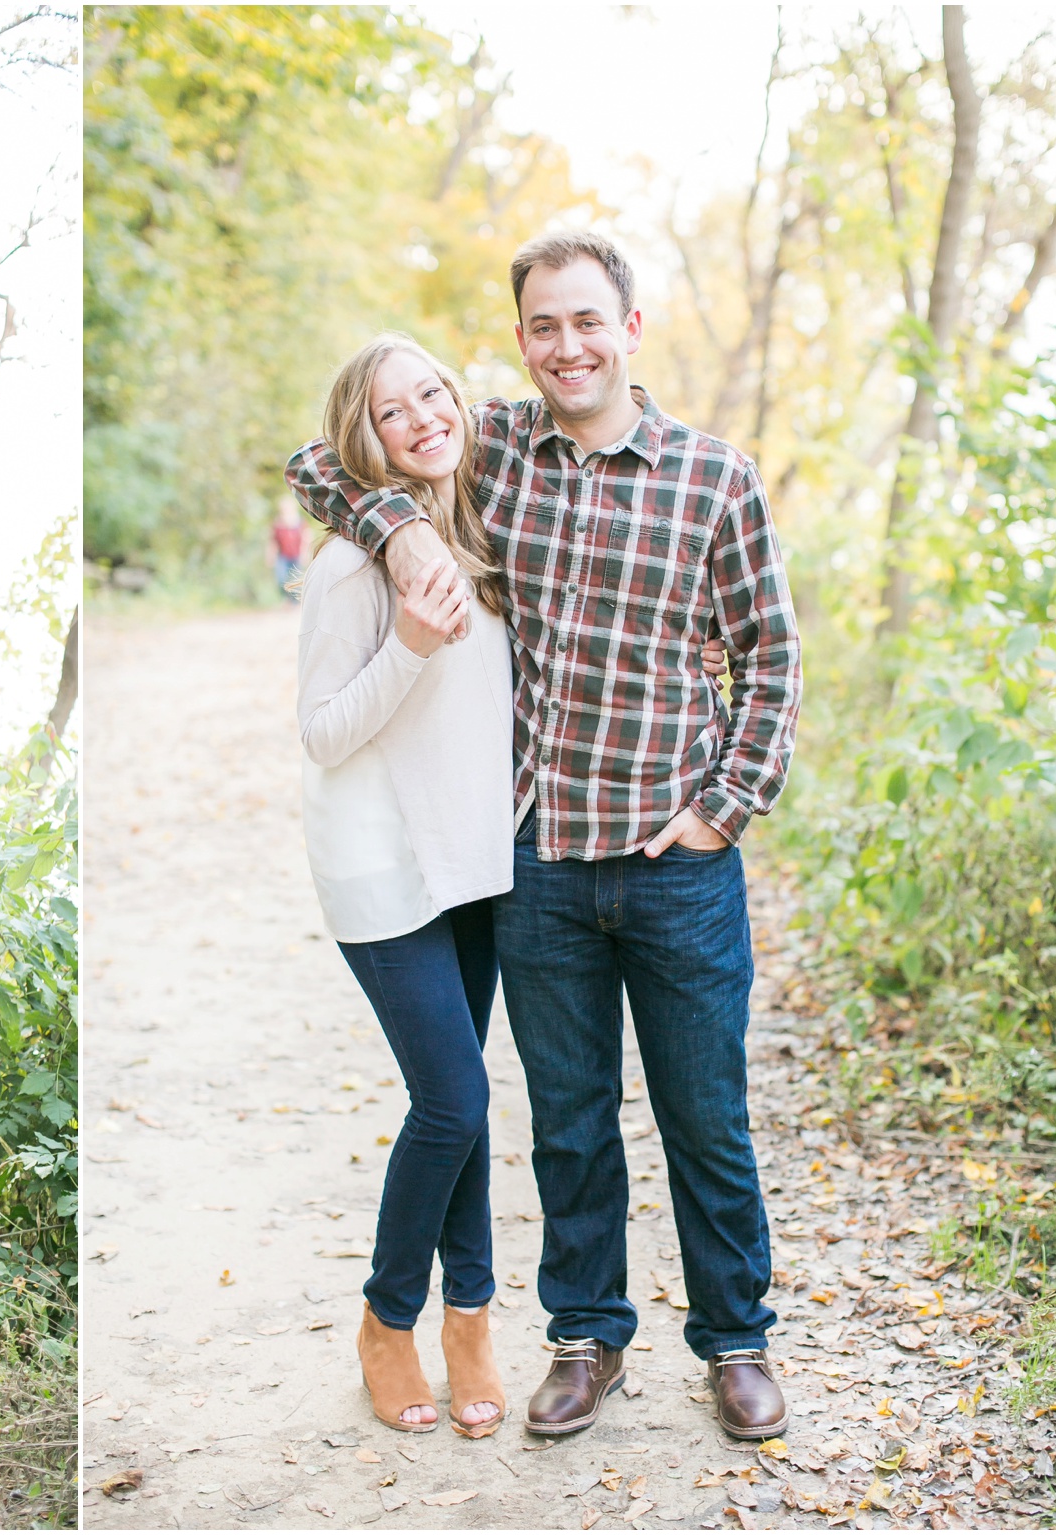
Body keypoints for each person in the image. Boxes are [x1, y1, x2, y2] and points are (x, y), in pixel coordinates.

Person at [288, 232, 801, 1441]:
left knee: (703, 1116)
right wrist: (400, 532)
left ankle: (734, 1339)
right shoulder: (499, 449)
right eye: (540, 326)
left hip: (674, 865)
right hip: (537, 863)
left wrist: (716, 810)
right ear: (519, 341)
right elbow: (323, 457)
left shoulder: (712, 477)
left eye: (584, 320)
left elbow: (771, 663)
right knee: (565, 1121)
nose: (564, 344)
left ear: (628, 325)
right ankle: (583, 1336)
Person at [297, 335, 514, 1437]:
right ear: (363, 436)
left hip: (474, 860)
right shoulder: (350, 565)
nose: (422, 415)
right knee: (454, 1100)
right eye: (392, 410)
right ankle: (390, 1319)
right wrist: (411, 646)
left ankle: (468, 1321)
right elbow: (322, 730)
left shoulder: (481, 525)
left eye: (432, 391)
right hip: (383, 871)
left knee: (463, 1100)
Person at [272, 499, 307, 600]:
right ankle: (286, 600)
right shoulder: (278, 523)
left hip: (296, 555)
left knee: (295, 580)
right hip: (282, 556)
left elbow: (305, 538)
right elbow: (273, 540)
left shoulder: (300, 522)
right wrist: (271, 555)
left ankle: (295, 602)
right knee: (281, 578)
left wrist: (304, 553)